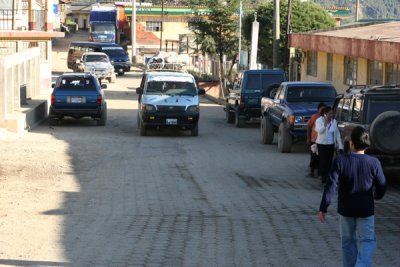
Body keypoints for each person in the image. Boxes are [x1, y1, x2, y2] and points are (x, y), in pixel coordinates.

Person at [319, 126, 386, 267]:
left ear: (351, 143)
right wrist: (377, 196)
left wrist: (324, 207)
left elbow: (331, 186)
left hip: (346, 209)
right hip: (366, 210)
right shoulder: (374, 163)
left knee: (348, 241)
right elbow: (382, 185)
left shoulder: (340, 161)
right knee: (367, 241)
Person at [315, 106, 343, 184]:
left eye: (332, 113)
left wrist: (340, 146)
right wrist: (325, 124)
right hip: (322, 144)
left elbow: (337, 134)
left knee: (329, 162)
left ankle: (327, 177)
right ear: (325, 114)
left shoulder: (334, 122)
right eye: (330, 113)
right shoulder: (319, 120)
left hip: (331, 144)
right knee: (323, 161)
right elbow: (319, 131)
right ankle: (323, 179)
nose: (331, 115)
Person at [307, 102, 326, 177]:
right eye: (322, 109)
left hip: (322, 141)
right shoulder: (314, 117)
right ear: (318, 110)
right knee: (313, 156)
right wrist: (308, 138)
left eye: (324, 109)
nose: (323, 111)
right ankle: (311, 171)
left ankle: (319, 172)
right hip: (314, 140)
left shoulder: (326, 118)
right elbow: (308, 126)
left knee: (320, 157)